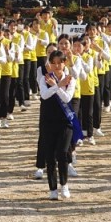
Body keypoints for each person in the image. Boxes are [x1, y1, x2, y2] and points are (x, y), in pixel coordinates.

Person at [38, 49, 77, 200]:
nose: (56, 66)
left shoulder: (70, 79)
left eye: (59, 63)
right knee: (49, 156)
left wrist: (59, 86)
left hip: (65, 122)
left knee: (62, 152)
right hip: (48, 121)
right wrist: (57, 85)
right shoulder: (45, 78)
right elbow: (44, 95)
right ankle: (53, 188)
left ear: (64, 63)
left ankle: (64, 184)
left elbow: (67, 98)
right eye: (53, 63)